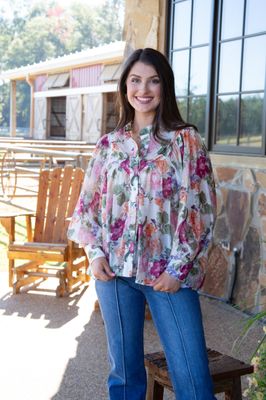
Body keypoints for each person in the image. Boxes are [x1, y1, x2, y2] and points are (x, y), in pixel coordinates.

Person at [68, 48, 217, 400]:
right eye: (135, 80)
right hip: (113, 275)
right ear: (125, 87)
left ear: (165, 87)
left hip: (168, 278)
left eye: (153, 80)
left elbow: (201, 210)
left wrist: (178, 270)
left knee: (192, 379)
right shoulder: (108, 145)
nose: (143, 89)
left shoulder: (185, 141)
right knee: (124, 376)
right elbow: (87, 205)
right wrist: (94, 253)